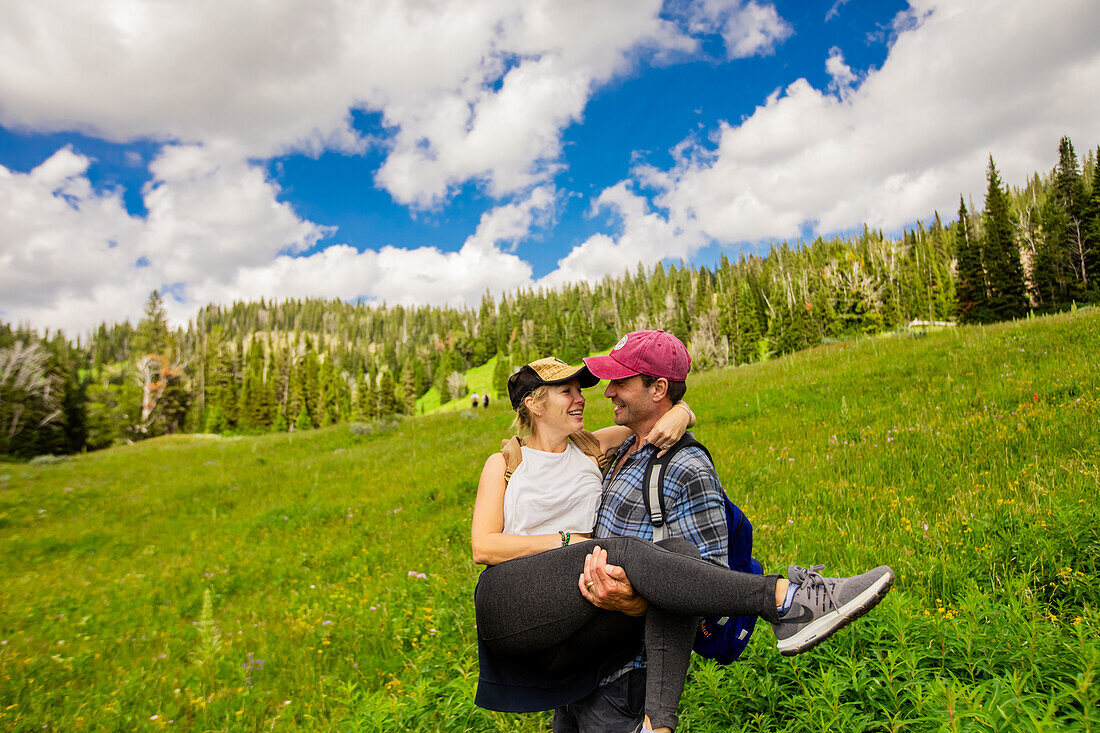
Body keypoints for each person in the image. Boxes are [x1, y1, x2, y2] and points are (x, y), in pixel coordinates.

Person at [472, 340, 894, 732]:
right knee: (626, 551)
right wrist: (573, 541)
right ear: (534, 403)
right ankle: (785, 599)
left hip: (577, 620)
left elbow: (657, 423)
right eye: (567, 391)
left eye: (583, 388)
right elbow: (482, 547)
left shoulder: (594, 448)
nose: (588, 396)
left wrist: (682, 410)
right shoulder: (507, 461)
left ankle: (658, 724)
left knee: (675, 556)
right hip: (511, 598)